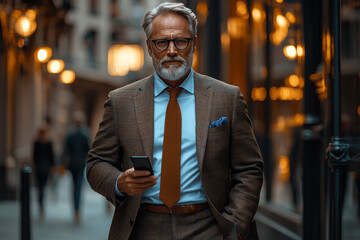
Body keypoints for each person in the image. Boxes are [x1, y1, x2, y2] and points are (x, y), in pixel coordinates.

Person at [87, 2, 263, 240]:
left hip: (209, 226)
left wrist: (234, 225)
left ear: (194, 44)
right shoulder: (121, 101)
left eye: (180, 41)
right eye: (162, 42)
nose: (171, 51)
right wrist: (119, 182)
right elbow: (96, 163)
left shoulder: (226, 98)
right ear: (149, 48)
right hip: (142, 227)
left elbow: (249, 168)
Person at [63, 111, 91, 223]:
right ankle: (77, 210)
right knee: (79, 187)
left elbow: (66, 150)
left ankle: (75, 208)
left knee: (74, 186)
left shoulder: (70, 133)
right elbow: (88, 150)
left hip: (72, 164)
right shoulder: (85, 134)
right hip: (80, 164)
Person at [33, 126, 54, 219]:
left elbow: (34, 156)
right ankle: (41, 204)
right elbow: (52, 157)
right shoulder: (49, 143)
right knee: (43, 186)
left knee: (39, 187)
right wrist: (52, 168)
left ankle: (40, 204)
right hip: (46, 168)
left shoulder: (36, 142)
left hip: (38, 167)